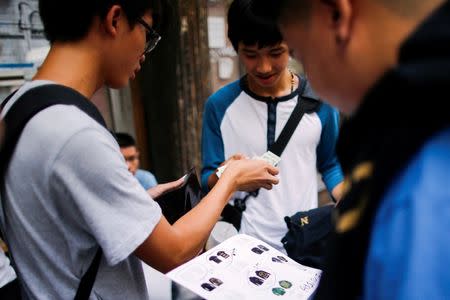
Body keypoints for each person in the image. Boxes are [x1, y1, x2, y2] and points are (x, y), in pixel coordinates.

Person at [0, 0, 279, 298]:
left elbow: (55, 224)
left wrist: (137, 203)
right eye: (148, 31)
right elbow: (175, 252)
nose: (145, 51)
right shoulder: (76, 133)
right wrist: (231, 179)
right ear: (115, 19)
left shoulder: (14, 108)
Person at [268, 0, 450, 298]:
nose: (309, 77)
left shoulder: (417, 184)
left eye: (300, 55)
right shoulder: (405, 133)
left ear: (337, 16)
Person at [201, 0, 344, 253]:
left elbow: (330, 164)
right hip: (240, 245)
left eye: (276, 53)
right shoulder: (219, 106)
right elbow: (207, 177)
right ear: (236, 48)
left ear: (292, 45)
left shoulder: (322, 100)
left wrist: (347, 198)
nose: (264, 67)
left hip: (303, 243)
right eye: (251, 55)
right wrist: (226, 174)